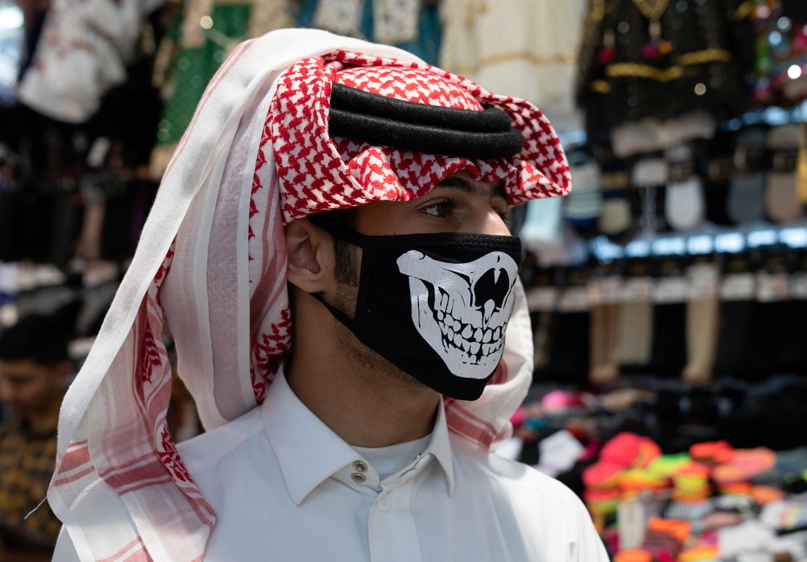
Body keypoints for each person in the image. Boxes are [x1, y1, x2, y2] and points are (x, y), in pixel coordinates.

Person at [50, 30, 608, 561]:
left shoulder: (551, 525)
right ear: (307, 256)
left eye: (503, 213)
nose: (498, 244)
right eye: (442, 208)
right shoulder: (138, 535)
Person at [0, 314, 71, 559]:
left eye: (21, 381)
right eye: (4, 379)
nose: (7, 394)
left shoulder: (84, 445)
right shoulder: (7, 437)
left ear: (61, 372)